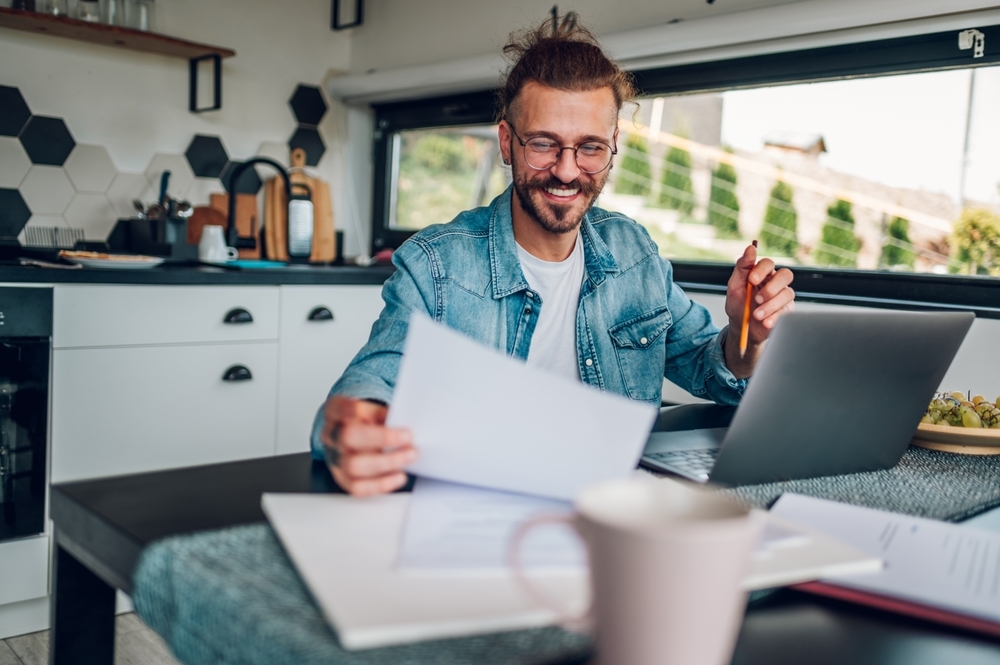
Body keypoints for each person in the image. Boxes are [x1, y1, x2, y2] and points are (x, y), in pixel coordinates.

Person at [312, 13, 795, 496]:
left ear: (612, 147)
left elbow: (709, 368)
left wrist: (745, 334)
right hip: (481, 510)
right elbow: (372, 382)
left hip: (614, 510)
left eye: (590, 148)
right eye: (543, 144)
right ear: (507, 142)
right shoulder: (435, 266)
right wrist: (350, 424)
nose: (567, 171)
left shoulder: (635, 253)